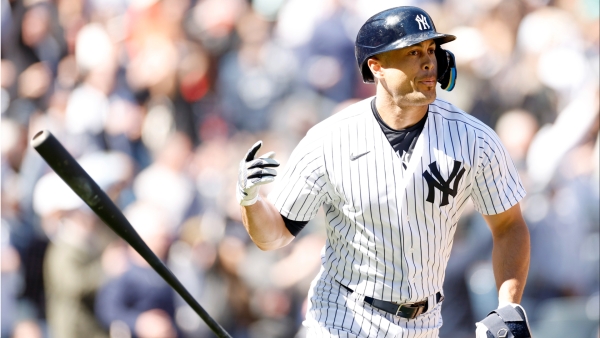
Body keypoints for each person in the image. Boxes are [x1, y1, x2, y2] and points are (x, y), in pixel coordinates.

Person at [237, 6, 531, 337]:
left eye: (432, 50)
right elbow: (274, 234)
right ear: (376, 66)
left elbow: (509, 225)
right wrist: (250, 200)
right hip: (342, 320)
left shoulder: (474, 139)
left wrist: (508, 305)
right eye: (413, 52)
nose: (428, 62)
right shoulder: (329, 138)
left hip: (426, 322)